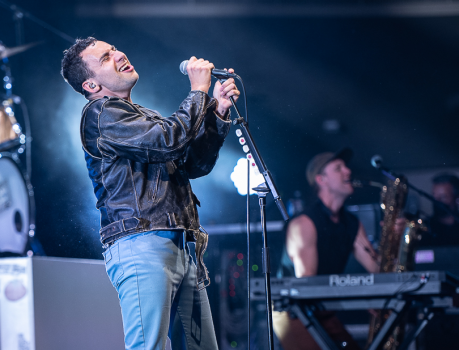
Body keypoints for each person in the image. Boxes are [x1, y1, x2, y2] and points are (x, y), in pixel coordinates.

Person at [61, 37, 239, 350]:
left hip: (182, 246)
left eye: (115, 48)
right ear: (90, 85)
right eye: (105, 57)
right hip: (141, 244)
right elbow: (168, 140)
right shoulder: (101, 114)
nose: (118, 54)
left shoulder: (139, 114)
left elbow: (193, 163)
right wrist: (198, 91)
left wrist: (218, 112)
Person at [274, 149, 380, 350]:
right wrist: (363, 296)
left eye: (346, 167)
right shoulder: (304, 223)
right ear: (321, 179)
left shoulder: (351, 223)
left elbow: (377, 268)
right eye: (339, 168)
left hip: (323, 309)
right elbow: (307, 286)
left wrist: (397, 238)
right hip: (291, 311)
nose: (348, 172)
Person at [420, 173, 459, 246]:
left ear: (457, 199)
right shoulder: (425, 228)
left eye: (443, 197)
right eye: (434, 197)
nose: (437, 201)